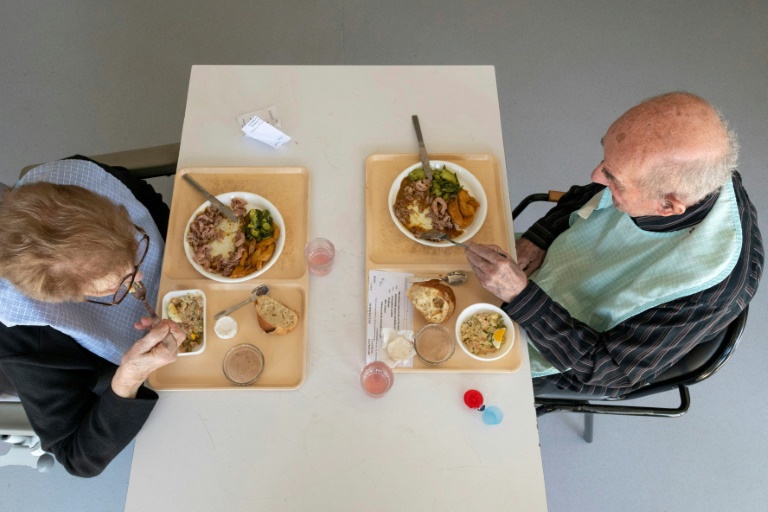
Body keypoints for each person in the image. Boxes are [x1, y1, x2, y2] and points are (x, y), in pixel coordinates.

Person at [466, 92, 763, 397]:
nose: (595, 176)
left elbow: (607, 370)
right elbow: (591, 194)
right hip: (543, 276)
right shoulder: (694, 172)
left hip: (570, 359)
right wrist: (541, 236)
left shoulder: (712, 289)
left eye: (613, 177)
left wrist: (521, 296)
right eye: (604, 160)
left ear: (668, 206)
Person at [0, 156, 182, 477]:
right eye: (119, 288)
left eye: (135, 248)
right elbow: (77, 458)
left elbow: (148, 200)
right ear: (70, 300)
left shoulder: (76, 175)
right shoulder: (33, 339)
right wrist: (128, 377)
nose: (138, 282)